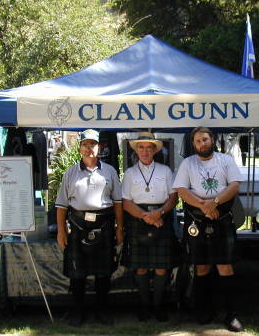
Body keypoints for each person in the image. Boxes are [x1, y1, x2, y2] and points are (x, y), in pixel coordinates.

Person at [172, 126, 244, 332]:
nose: (202, 144)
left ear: (212, 139)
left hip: (222, 215)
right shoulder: (188, 163)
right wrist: (204, 206)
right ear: (193, 144)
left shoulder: (226, 160)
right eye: (197, 141)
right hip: (197, 216)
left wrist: (215, 202)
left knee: (225, 267)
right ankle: (205, 310)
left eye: (205, 139)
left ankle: (231, 315)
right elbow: (182, 190)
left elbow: (234, 186)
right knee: (202, 267)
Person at [55, 129, 124, 326]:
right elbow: (61, 205)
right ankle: (78, 311)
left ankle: (102, 310)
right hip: (78, 225)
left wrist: (120, 228)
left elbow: (118, 202)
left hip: (104, 225)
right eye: (85, 144)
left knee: (104, 272)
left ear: (99, 147)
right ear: (80, 148)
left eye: (92, 144)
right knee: (78, 272)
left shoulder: (110, 171)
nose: (89, 148)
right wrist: (61, 230)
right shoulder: (70, 172)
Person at [121, 132, 179, 322]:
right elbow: (126, 203)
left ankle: (158, 306)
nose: (145, 151)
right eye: (141, 147)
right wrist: (147, 216)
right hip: (139, 219)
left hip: (162, 217)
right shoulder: (129, 173)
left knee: (162, 268)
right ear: (136, 150)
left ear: (154, 150)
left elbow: (173, 198)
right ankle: (145, 307)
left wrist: (159, 213)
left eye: (148, 147)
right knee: (141, 268)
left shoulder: (166, 171)